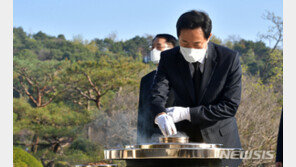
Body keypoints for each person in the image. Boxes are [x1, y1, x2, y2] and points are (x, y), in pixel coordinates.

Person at [150, 10, 242, 167]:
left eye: (197, 44)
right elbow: (158, 93)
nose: (190, 49)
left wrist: (187, 113)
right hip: (183, 144)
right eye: (185, 43)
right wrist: (160, 113)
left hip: (220, 141)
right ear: (178, 37)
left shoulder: (228, 59)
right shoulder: (168, 58)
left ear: (209, 37)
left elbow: (230, 106)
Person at [137, 34, 177, 144]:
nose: (154, 50)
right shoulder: (146, 79)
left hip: (176, 138)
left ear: (172, 49)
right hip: (150, 141)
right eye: (152, 47)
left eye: (158, 47)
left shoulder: (182, 77)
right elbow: (142, 113)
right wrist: (140, 141)